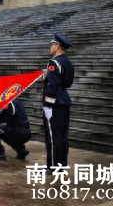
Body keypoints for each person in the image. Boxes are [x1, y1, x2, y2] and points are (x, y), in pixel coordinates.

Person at [43, 33, 74, 174]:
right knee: (62, 135)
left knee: (52, 135)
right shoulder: (68, 62)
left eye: (52, 45)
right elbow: (67, 82)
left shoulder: (54, 63)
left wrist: (48, 105)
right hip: (64, 100)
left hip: (55, 103)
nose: (51, 47)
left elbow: (52, 86)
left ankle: (53, 166)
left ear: (58, 46)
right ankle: (61, 165)